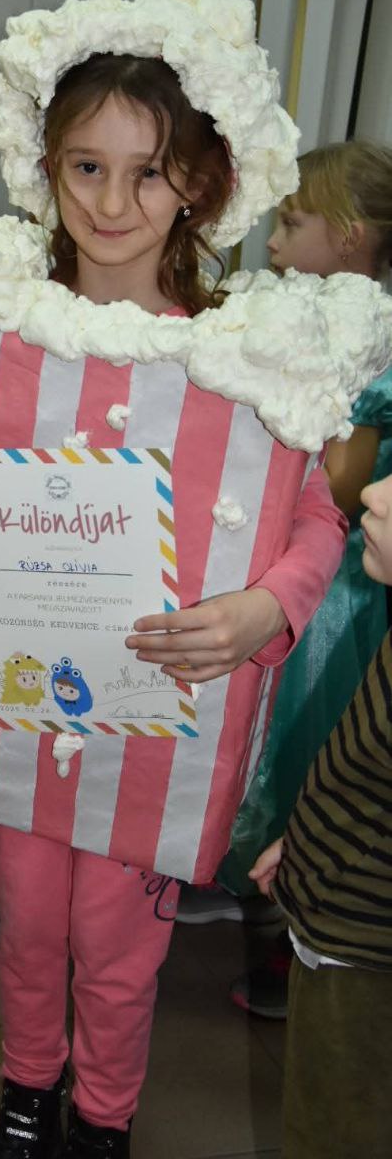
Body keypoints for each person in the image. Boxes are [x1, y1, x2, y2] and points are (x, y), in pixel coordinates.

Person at [0, 0, 374, 1156]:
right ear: (45, 165)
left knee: (118, 945)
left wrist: (265, 604)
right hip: (15, 704)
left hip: (156, 723)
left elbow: (316, 511)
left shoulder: (245, 349)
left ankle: (101, 1119)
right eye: (86, 167)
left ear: (199, 180)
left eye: (148, 172)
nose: (113, 203)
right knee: (27, 923)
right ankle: (27, 1096)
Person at [215, 142, 392, 1018]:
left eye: (291, 221)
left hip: (342, 586)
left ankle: (296, 934)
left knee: (302, 752)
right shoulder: (295, 315)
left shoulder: (368, 344)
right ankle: (238, 880)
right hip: (300, 556)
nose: (275, 238)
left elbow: (345, 486)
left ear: (350, 235)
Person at [249, 468, 392, 1159]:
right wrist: (306, 836)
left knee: (336, 1126)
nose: (373, 493)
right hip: (336, 903)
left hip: (361, 950)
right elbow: (366, 766)